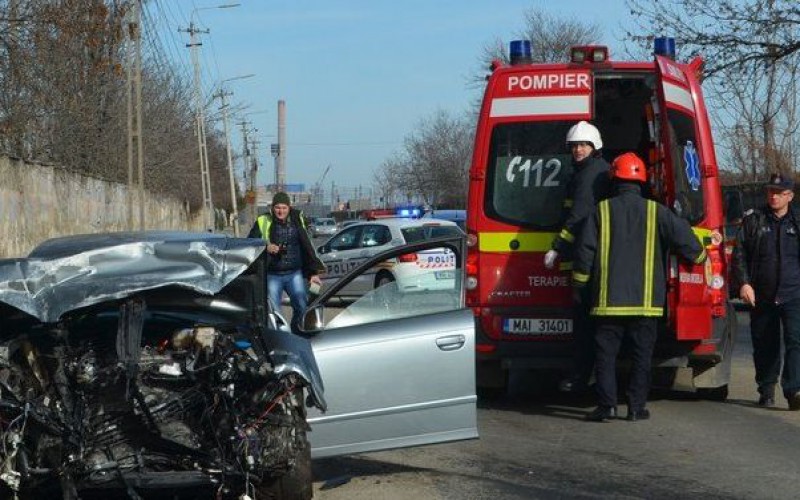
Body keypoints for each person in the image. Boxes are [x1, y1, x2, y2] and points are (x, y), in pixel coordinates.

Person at [572, 152, 706, 422]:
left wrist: (581, 290)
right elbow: (689, 245)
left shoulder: (601, 211)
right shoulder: (657, 211)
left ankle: (607, 406)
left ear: (614, 179)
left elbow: (584, 254)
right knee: (642, 357)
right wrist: (701, 256)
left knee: (605, 357)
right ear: (642, 181)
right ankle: (636, 408)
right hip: (647, 306)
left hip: (608, 304)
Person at [545, 120, 612, 393]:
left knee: (585, 322)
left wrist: (557, 246)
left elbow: (577, 218)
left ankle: (584, 375)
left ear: (594, 147)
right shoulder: (586, 172)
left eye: (583, 145)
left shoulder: (590, 175)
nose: (578, 150)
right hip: (590, 255)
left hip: (590, 258)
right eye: (574, 146)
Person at [732, 173, 800, 410]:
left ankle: (794, 390)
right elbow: (739, 253)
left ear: (790, 196)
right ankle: (767, 388)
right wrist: (744, 283)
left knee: (796, 341)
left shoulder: (797, 220)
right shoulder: (754, 220)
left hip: (794, 293)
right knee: (764, 344)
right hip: (762, 293)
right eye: (770, 191)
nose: (773, 196)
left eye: (779, 192)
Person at [248, 192, 325, 332]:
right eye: (277, 207)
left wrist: (313, 273)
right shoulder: (262, 221)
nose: (280, 211)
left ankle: (297, 331)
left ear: (289, 208)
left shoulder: (298, 219)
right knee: (274, 311)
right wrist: (266, 246)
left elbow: (307, 247)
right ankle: (283, 336)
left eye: (284, 207)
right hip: (272, 274)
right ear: (272, 208)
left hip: (294, 273)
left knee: (302, 304)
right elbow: (250, 244)